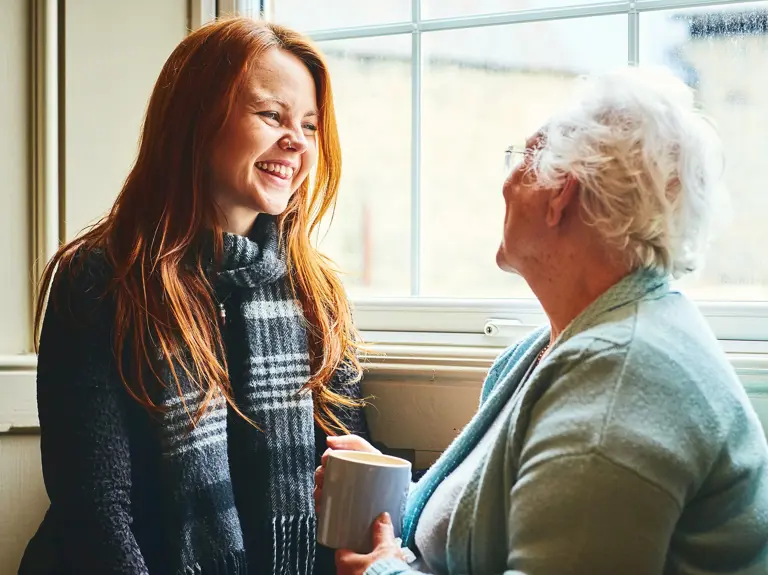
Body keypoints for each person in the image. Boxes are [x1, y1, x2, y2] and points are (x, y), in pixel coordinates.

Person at [315, 67, 768, 575]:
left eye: (523, 157)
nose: (506, 185)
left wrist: (380, 572)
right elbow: (492, 525)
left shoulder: (621, 376)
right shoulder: (555, 347)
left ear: (561, 194)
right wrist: (391, 492)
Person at [18, 17, 368, 575]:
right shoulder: (98, 279)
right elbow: (94, 511)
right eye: (271, 115)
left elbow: (349, 474)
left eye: (309, 125)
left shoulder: (317, 292)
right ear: (195, 122)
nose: (297, 141)